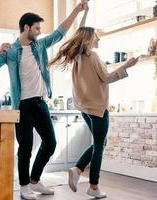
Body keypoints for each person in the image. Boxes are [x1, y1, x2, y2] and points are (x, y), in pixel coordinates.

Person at [0, 1, 89, 200]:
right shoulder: (11, 51)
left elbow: (60, 32)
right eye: (37, 28)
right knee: (25, 148)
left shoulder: (39, 46)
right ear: (26, 28)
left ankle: (34, 179)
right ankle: (24, 187)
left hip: (40, 103)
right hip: (22, 106)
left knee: (50, 143)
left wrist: (76, 10)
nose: (40, 32)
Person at [48, 11, 139, 199]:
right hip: (98, 107)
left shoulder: (78, 56)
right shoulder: (93, 56)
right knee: (99, 146)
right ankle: (93, 186)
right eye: (96, 35)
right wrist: (126, 66)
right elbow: (106, 78)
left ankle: (78, 168)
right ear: (89, 38)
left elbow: (80, 31)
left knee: (100, 142)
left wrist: (86, 10)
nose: (98, 38)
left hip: (84, 107)